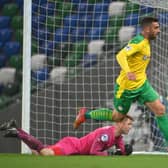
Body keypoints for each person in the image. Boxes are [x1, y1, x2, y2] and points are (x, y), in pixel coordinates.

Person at [73, 17, 168, 144]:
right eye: (156, 28)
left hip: (142, 84)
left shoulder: (146, 42)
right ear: (146, 29)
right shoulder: (138, 42)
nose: (159, 30)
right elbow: (121, 55)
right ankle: (86, 114)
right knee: (117, 116)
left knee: (160, 109)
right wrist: (128, 71)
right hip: (126, 88)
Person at [0, 116, 133, 156]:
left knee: (37, 153)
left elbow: (120, 152)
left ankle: (16, 128)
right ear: (120, 124)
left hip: (74, 147)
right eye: (129, 124)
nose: (130, 126)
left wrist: (125, 152)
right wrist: (109, 155)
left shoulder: (118, 137)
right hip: (72, 146)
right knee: (46, 153)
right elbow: (93, 152)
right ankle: (17, 133)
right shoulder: (106, 135)